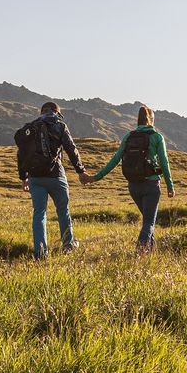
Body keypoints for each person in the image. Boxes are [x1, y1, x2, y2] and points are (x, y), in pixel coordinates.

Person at [91, 106, 175, 251]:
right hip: (151, 185)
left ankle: (151, 252)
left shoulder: (128, 136)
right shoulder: (157, 137)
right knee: (149, 222)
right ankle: (140, 251)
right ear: (152, 120)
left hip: (133, 186)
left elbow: (115, 159)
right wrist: (170, 186)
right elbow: (164, 162)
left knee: (148, 220)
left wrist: (97, 177)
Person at [16, 101, 89, 258]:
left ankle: (41, 253)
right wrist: (80, 171)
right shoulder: (59, 125)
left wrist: (24, 178)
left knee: (39, 213)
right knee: (63, 210)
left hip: (35, 178)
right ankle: (68, 246)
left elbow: (21, 154)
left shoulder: (30, 128)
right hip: (56, 176)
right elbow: (71, 149)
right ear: (57, 112)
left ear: (41, 111)